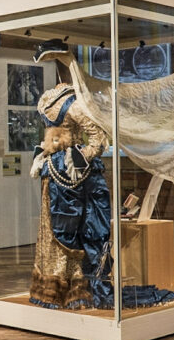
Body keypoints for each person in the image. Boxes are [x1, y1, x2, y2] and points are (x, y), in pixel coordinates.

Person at [27, 41, 113, 309]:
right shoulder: (75, 103)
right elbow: (98, 140)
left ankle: (52, 288)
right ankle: (74, 288)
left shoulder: (45, 101)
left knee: (56, 227)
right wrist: (84, 155)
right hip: (71, 173)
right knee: (74, 227)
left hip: (54, 170)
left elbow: (95, 139)